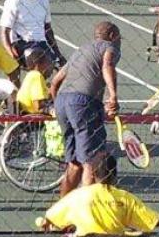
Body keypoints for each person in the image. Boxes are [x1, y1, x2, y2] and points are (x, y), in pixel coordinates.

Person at [49, 21, 121, 197]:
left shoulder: (81, 50)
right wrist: (113, 95)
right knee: (92, 160)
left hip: (62, 102)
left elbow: (56, 80)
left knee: (74, 162)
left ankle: (61, 210)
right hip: (83, 102)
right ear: (112, 36)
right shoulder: (110, 47)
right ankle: (88, 213)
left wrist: (56, 102)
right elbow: (107, 65)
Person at [39, 153, 159, 237]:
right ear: (115, 174)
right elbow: (153, 220)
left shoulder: (78, 196)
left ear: (92, 174)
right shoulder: (125, 197)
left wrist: (45, 222)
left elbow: (51, 216)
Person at [0, 0, 64, 66]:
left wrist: (58, 54)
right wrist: (9, 50)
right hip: (22, 43)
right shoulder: (13, 1)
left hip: (41, 44)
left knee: (62, 68)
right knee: (39, 62)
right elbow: (5, 31)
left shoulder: (44, 0)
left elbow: (48, 29)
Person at [16, 48, 54, 115]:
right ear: (38, 65)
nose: (51, 66)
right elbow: (38, 107)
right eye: (49, 63)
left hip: (26, 113)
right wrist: (52, 110)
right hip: (31, 117)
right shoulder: (37, 76)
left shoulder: (31, 75)